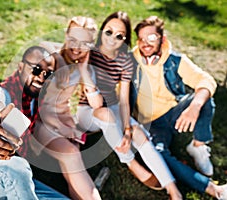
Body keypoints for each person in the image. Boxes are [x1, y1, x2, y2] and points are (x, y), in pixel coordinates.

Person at [75, 11, 181, 199]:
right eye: (109, 32)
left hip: (113, 107)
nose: (112, 39)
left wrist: (126, 129)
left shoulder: (125, 60)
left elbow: (123, 98)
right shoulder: (89, 52)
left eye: (119, 36)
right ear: (101, 31)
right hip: (88, 111)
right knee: (105, 113)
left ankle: (173, 190)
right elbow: (94, 101)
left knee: (139, 133)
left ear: (125, 39)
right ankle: (130, 162)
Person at [131, 15, 227, 199]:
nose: (145, 43)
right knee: (159, 155)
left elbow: (206, 80)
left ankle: (198, 145)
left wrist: (195, 106)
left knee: (204, 98)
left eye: (151, 38)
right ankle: (214, 190)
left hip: (174, 113)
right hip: (151, 124)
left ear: (162, 39)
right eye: (142, 39)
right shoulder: (130, 62)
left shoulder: (174, 59)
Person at [0, 46, 69, 199]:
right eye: (36, 69)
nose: (41, 77)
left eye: (48, 74)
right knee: (18, 167)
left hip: (21, 179)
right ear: (20, 67)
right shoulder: (4, 91)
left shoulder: (37, 97)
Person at [30, 16, 102, 200]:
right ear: (66, 35)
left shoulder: (84, 68)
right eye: (73, 39)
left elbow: (96, 105)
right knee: (71, 154)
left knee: (72, 162)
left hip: (64, 121)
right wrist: (60, 127)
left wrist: (85, 71)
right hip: (38, 121)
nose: (77, 48)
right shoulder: (47, 55)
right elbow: (31, 100)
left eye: (84, 43)